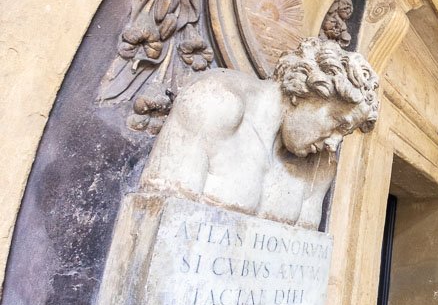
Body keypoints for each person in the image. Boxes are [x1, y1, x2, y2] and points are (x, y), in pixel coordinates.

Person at [141, 36, 378, 228]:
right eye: (337, 123)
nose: (334, 144)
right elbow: (155, 226)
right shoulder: (214, 103)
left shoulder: (320, 167)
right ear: (310, 90)